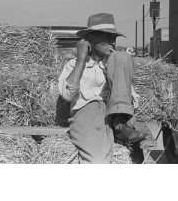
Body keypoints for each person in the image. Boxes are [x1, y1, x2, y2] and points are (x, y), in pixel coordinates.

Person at [58, 13, 146, 163]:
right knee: (98, 160)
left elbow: (132, 98)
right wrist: (81, 59)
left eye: (114, 37)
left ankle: (120, 126)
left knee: (123, 57)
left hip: (115, 113)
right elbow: (67, 95)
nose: (112, 41)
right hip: (88, 114)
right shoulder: (74, 64)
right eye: (106, 37)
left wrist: (112, 72)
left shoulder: (116, 64)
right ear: (91, 39)